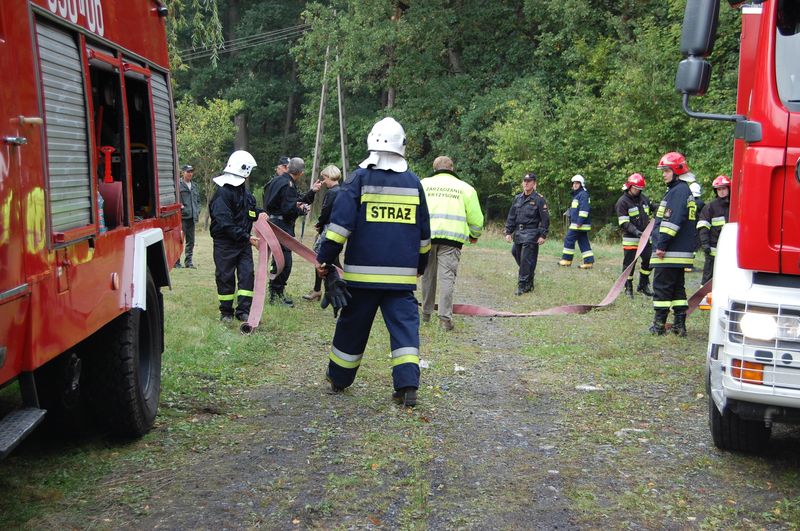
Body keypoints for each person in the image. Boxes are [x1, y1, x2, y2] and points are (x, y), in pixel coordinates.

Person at [316, 117, 431, 408]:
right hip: (401, 279)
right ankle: (407, 387)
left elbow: (339, 227)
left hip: (362, 278)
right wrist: (420, 265)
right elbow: (424, 234)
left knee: (352, 327)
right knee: (405, 330)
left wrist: (325, 259)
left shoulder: (358, 179)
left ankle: (338, 379)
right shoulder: (413, 183)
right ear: (402, 146)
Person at [420, 156, 484, 330]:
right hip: (452, 241)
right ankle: (444, 320)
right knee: (446, 278)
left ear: (434, 169)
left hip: (426, 238)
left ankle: (425, 315)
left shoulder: (423, 184)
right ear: (453, 169)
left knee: (427, 276)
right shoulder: (465, 188)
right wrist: (474, 235)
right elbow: (476, 219)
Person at [209, 150, 266, 323]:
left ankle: (243, 311)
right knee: (225, 277)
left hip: (242, 243)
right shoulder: (223, 194)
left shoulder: (244, 192)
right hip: (225, 244)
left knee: (247, 275)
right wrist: (247, 238)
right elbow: (225, 223)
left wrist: (260, 213)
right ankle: (226, 312)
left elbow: (248, 212)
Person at [650, 151, 697, 337]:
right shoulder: (683, 191)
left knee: (661, 287)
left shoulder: (678, 192)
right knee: (677, 289)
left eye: (666, 170)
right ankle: (679, 326)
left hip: (669, 252)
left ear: (677, 170)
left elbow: (671, 222)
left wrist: (661, 245)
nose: (664, 174)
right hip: (679, 252)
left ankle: (659, 325)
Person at [264, 156, 321, 306]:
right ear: (301, 173)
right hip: (281, 226)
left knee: (278, 260)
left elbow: (292, 201)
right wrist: (301, 210)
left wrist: (312, 192)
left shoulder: (277, 180)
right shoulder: (288, 185)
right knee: (284, 262)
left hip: (274, 223)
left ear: (288, 167)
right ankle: (276, 295)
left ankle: (276, 294)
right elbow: (289, 208)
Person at [504, 172, 550, 295]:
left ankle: (522, 285)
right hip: (519, 233)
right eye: (524, 181)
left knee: (525, 260)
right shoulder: (517, 198)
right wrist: (508, 231)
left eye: (529, 181)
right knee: (515, 253)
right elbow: (511, 216)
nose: (526, 183)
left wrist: (543, 235)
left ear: (534, 184)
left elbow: (545, 219)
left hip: (532, 233)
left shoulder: (539, 199)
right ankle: (529, 276)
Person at [303, 165, 343, 302]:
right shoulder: (343, 191)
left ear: (330, 177)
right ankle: (320, 290)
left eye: (324, 178)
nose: (323, 181)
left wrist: (319, 224)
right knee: (333, 260)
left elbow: (326, 211)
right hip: (337, 229)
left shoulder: (332, 193)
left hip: (328, 228)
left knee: (319, 257)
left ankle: (318, 290)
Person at [615, 173, 653, 298]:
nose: (638, 191)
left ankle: (643, 285)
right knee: (629, 264)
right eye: (636, 188)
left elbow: (652, 207)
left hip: (645, 237)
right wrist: (636, 231)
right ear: (630, 186)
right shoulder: (622, 202)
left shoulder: (644, 199)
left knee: (648, 260)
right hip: (631, 238)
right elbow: (624, 222)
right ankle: (628, 287)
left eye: (640, 189)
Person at [697, 175, 731, 285]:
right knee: (708, 278)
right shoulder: (710, 207)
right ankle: (703, 298)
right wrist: (705, 244)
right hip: (713, 250)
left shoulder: (736, 206)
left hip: (730, 251)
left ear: (729, 189)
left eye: (724, 188)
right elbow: (703, 226)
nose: (721, 192)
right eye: (719, 189)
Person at [559, 174, 594, 269]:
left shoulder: (582, 194)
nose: (575, 185)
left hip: (578, 224)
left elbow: (584, 209)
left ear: (581, 184)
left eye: (577, 183)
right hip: (579, 224)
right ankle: (589, 262)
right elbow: (576, 208)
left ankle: (566, 260)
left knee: (569, 239)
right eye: (574, 183)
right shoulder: (578, 195)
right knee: (583, 242)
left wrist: (579, 222)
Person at [176, 164, 200, 269]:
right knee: (179, 240)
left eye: (191, 171)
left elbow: (198, 201)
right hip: (182, 218)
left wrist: (198, 210)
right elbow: (175, 199)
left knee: (191, 241)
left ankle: (188, 262)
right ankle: (176, 262)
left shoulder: (194, 185)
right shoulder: (178, 185)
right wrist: (181, 207)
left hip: (192, 218)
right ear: (183, 172)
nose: (190, 173)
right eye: (188, 171)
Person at [687, 181, 705, 273]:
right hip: (696, 228)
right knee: (694, 247)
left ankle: (687, 265)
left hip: (688, 228)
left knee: (689, 246)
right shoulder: (701, 203)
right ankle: (689, 265)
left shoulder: (688, 202)